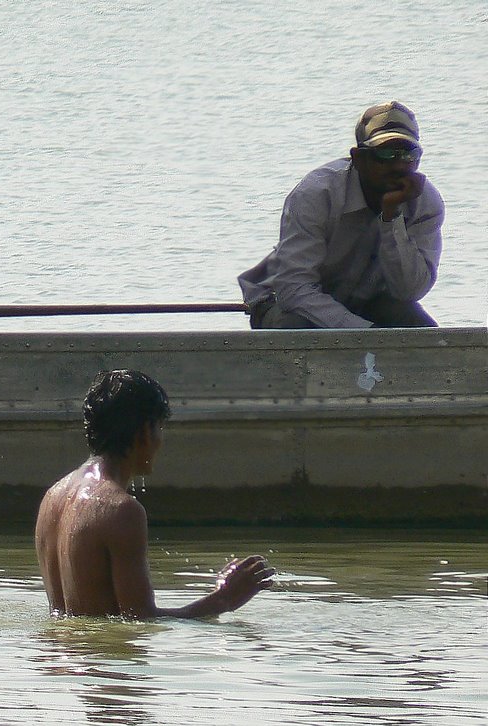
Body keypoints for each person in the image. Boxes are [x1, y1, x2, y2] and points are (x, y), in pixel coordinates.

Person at [35, 369, 274, 619]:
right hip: (105, 658)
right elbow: (141, 620)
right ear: (144, 432)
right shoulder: (120, 510)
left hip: (59, 653)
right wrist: (224, 598)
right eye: (160, 427)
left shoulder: (53, 497)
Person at [238, 101, 444, 329]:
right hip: (284, 300)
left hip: (366, 300)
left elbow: (409, 291)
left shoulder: (426, 204)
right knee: (297, 328)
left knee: (422, 331)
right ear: (358, 158)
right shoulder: (315, 195)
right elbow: (294, 289)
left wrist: (391, 218)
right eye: (385, 153)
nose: (398, 165)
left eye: (408, 153)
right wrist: (364, 332)